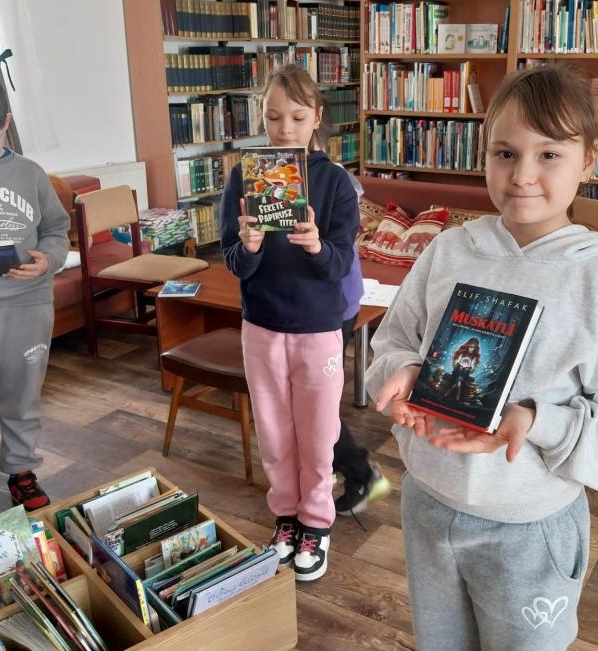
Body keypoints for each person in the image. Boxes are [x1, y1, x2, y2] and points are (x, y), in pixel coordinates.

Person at [366, 63, 598, 650]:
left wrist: (536, 421)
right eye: (505, 153)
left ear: (588, 161)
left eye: (549, 154)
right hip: (427, 503)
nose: (523, 176)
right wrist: (404, 373)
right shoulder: (447, 250)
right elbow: (393, 343)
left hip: (530, 528)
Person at [220, 64, 359, 581]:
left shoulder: (335, 181)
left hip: (317, 328)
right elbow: (234, 262)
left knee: (318, 434)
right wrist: (250, 246)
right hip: (261, 324)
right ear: (261, 117)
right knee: (275, 433)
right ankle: (285, 517)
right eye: (274, 117)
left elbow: (341, 264)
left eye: (298, 118)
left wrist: (318, 246)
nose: (284, 129)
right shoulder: (243, 177)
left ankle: (316, 522)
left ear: (317, 117)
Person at [0, 70, 69, 517]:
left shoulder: (30, 173)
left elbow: (57, 231)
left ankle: (21, 470)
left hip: (26, 306)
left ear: (7, 122)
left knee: (21, 398)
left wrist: (48, 259)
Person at [332, 174, 391, 517]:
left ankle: (362, 475)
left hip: (331, 307)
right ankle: (342, 469)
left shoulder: (334, 180)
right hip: (330, 304)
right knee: (312, 403)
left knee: (317, 406)